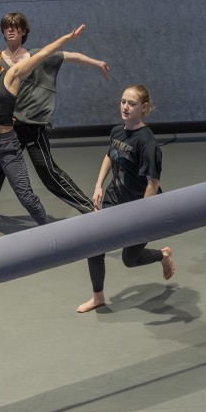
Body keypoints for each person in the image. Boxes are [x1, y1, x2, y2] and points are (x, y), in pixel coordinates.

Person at [0, 25, 86, 244]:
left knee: (24, 193)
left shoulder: (12, 75)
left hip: (7, 145)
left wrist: (66, 38)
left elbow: (44, 53)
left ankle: (48, 231)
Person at [0, 13, 109, 221]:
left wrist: (97, 63)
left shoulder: (35, 56)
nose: (11, 30)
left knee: (48, 171)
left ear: (24, 31)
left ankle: (88, 207)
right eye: (7, 27)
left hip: (32, 126)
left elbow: (69, 55)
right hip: (8, 128)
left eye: (15, 27)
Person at [77, 85, 175, 313]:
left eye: (132, 103)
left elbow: (153, 183)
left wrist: (140, 215)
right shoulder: (117, 131)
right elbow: (109, 155)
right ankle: (98, 297)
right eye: (123, 101)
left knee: (130, 259)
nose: (125, 107)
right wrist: (98, 185)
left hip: (139, 207)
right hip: (114, 199)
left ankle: (163, 255)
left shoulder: (147, 142)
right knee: (94, 246)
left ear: (144, 108)